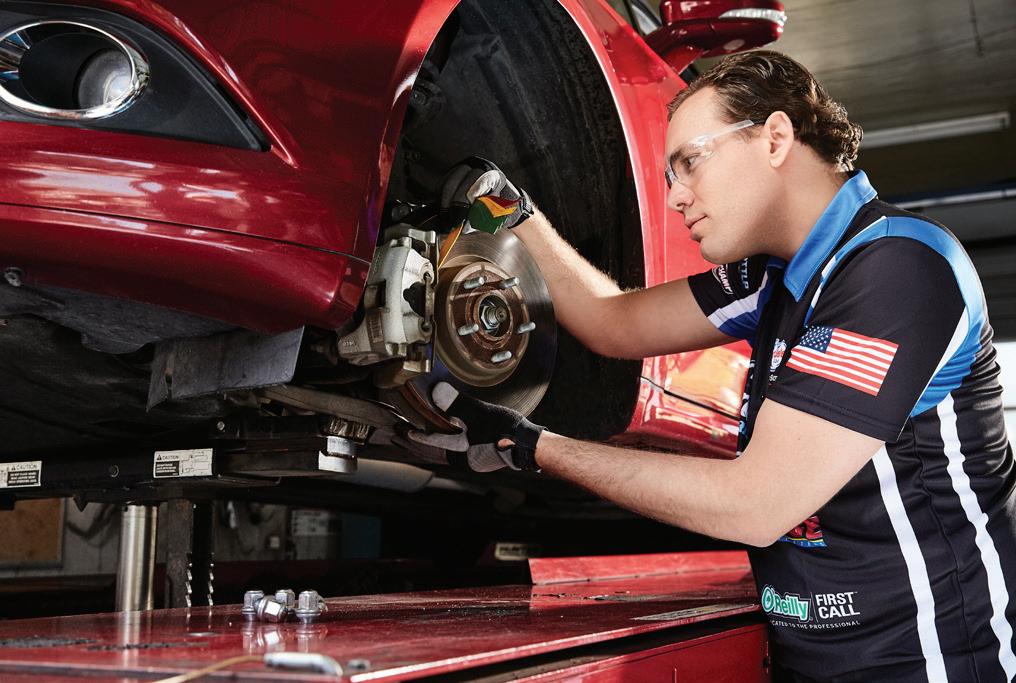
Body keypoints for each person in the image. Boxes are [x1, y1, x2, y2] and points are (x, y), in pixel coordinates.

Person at [427, 51, 1016, 682]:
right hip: (813, 664)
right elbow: (613, 323)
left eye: (690, 161)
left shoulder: (898, 268)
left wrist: (530, 446)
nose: (675, 196)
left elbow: (756, 505)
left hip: (931, 663)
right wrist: (512, 213)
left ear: (775, 138)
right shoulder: (772, 278)